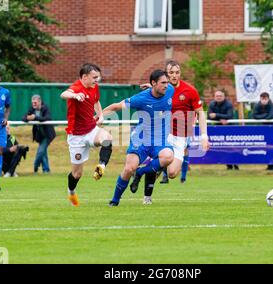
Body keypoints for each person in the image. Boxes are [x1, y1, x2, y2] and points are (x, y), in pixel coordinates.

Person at [131, 60, 210, 204]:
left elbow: (201, 113)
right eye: (171, 73)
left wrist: (204, 136)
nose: (174, 75)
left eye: (177, 72)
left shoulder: (190, 91)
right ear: (165, 74)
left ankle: (140, 172)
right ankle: (147, 198)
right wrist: (151, 87)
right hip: (164, 134)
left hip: (181, 135)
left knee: (172, 173)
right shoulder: (162, 90)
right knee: (159, 162)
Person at [103, 69, 175, 206]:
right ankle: (115, 200)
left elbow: (168, 87)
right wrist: (100, 115)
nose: (166, 85)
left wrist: (153, 87)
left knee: (168, 157)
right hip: (141, 139)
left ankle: (140, 172)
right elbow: (117, 106)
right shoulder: (141, 98)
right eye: (163, 83)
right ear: (153, 83)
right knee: (129, 168)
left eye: (167, 82)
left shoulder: (170, 90)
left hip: (159, 140)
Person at [60, 63, 113, 207]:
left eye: (98, 77)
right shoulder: (77, 87)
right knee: (77, 174)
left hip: (91, 130)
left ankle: (101, 166)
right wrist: (75, 95)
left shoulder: (94, 87)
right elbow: (63, 94)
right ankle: (71, 192)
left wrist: (100, 115)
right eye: (94, 77)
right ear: (84, 77)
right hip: (76, 136)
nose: (97, 80)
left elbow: (96, 100)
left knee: (107, 138)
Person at [22, 94, 56, 173]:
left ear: (40, 102)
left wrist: (35, 118)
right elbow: (23, 118)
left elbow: (48, 118)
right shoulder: (32, 109)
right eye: (33, 103)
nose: (34, 104)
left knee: (40, 151)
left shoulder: (45, 108)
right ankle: (46, 170)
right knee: (43, 152)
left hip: (48, 135)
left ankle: (35, 166)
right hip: (39, 135)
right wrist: (28, 118)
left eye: (35, 103)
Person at [208, 90, 238, 170]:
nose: (218, 97)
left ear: (224, 97)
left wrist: (217, 115)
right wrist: (221, 118)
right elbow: (209, 116)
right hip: (219, 129)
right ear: (214, 97)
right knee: (223, 147)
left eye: (220, 96)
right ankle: (228, 165)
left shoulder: (228, 104)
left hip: (229, 128)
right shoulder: (212, 104)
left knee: (232, 147)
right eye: (217, 96)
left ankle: (235, 164)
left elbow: (230, 115)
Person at [253, 92, 273, 170]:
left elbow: (271, 116)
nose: (263, 100)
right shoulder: (257, 105)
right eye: (262, 98)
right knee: (266, 146)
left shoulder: (272, 105)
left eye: (265, 98)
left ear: (268, 98)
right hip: (264, 128)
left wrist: (262, 116)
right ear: (260, 98)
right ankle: (269, 164)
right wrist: (265, 115)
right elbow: (254, 116)